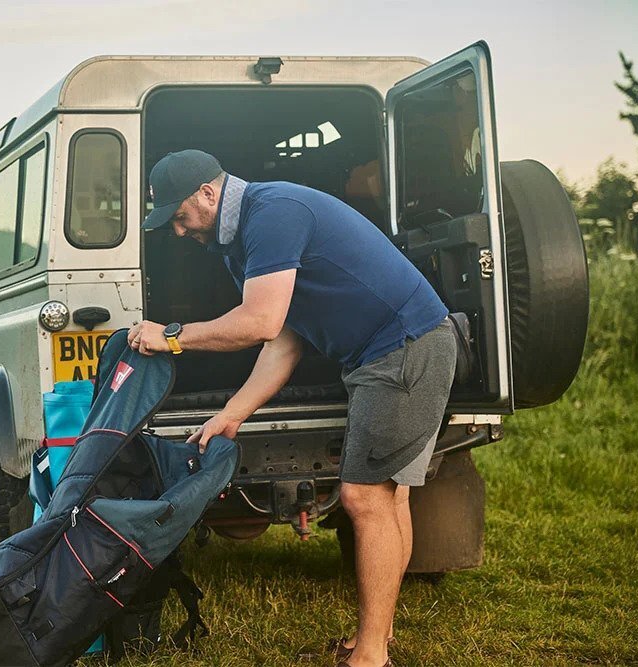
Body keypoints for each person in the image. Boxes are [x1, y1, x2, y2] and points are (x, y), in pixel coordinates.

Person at [127, 150, 456, 667]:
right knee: (389, 498)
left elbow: (256, 322)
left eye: (179, 215)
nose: (177, 230)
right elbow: (283, 339)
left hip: (403, 345)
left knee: (366, 498)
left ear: (207, 195)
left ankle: (370, 656)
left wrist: (170, 337)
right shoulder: (240, 243)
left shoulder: (272, 213)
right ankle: (378, 637)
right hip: (395, 347)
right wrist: (233, 412)